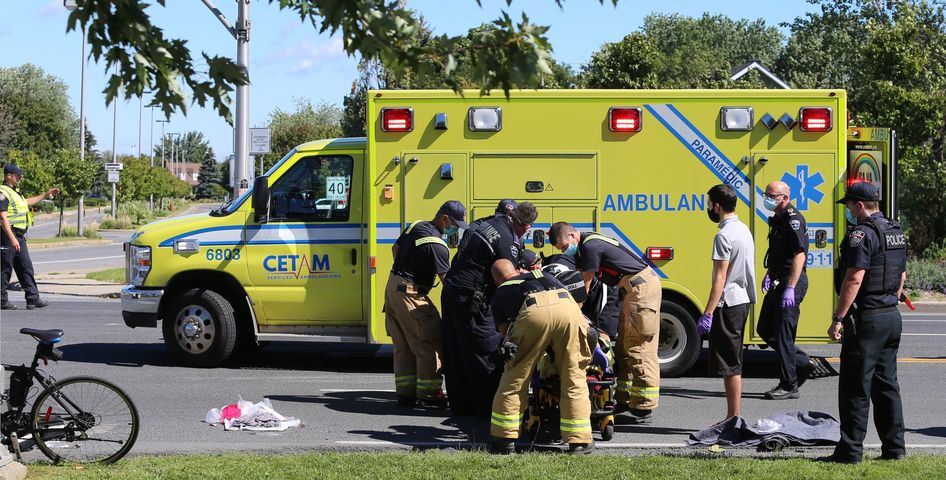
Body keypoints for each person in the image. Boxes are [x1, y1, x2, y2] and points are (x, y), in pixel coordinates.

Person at [820, 182, 907, 464]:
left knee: (855, 387)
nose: (848, 211)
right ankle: (894, 449)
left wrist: (838, 318)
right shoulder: (895, 231)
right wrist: (888, 301)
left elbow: (854, 278)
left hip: (867, 318)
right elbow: (901, 277)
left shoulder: (861, 234)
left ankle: (850, 452)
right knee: (886, 386)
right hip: (890, 316)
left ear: (859, 205)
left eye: (848, 206)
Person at [549, 222, 661, 425]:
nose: (565, 251)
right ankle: (625, 400)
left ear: (573, 235)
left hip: (641, 289)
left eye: (564, 246)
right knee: (623, 347)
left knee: (640, 347)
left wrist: (575, 309)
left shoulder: (590, 246)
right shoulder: (587, 245)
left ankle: (644, 406)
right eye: (560, 250)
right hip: (630, 290)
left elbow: (585, 281)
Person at [440, 202, 538, 417]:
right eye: (526, 229)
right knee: (487, 346)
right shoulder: (507, 239)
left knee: (457, 349)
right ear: (525, 225)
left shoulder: (494, 223)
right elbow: (508, 280)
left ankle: (462, 405)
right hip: (469, 296)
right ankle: (487, 407)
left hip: (454, 291)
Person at [487, 259, 593, 454]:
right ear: (517, 270)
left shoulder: (501, 292)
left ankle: (504, 439)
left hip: (533, 312)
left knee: (515, 377)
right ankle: (579, 441)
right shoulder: (543, 275)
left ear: (496, 281)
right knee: (574, 375)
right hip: (568, 307)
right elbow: (575, 302)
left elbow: (505, 333)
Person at [384, 200, 468, 408]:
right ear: (444, 218)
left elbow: (395, 249)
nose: (455, 229)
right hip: (411, 293)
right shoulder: (437, 245)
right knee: (429, 342)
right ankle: (429, 394)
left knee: (403, 344)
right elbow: (446, 281)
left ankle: (406, 393)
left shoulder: (416, 225)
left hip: (393, 286)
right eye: (455, 224)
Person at [695, 184, 756, 419]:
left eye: (709, 203)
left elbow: (720, 278)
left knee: (730, 365)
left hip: (728, 303)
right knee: (732, 362)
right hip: (742, 300)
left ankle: (733, 418)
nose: (708, 208)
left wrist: (708, 312)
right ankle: (733, 416)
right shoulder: (743, 229)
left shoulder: (723, 235)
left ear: (718, 206)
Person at [756, 180, 813, 400]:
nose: (767, 199)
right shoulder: (779, 219)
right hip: (778, 279)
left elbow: (799, 255)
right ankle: (800, 362)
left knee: (783, 335)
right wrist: (769, 274)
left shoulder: (794, 220)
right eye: (766, 194)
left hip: (791, 282)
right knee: (765, 329)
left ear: (785, 198)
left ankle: (789, 385)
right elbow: (778, 253)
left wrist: (790, 287)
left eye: (772, 196)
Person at [1, 164, 59, 310]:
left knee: (26, 267)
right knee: (5, 268)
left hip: (19, 235)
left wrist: (45, 195)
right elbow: (2, 218)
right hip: (8, 235)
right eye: (17, 175)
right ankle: (2, 300)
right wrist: (12, 238)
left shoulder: (16, 192)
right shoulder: (3, 192)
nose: (20, 177)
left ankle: (32, 299)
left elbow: (26, 202)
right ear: (9, 175)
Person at [543, 253, 620, 339]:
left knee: (601, 325)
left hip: (600, 289)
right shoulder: (549, 273)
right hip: (583, 287)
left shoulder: (567, 277)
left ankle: (604, 346)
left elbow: (580, 300)